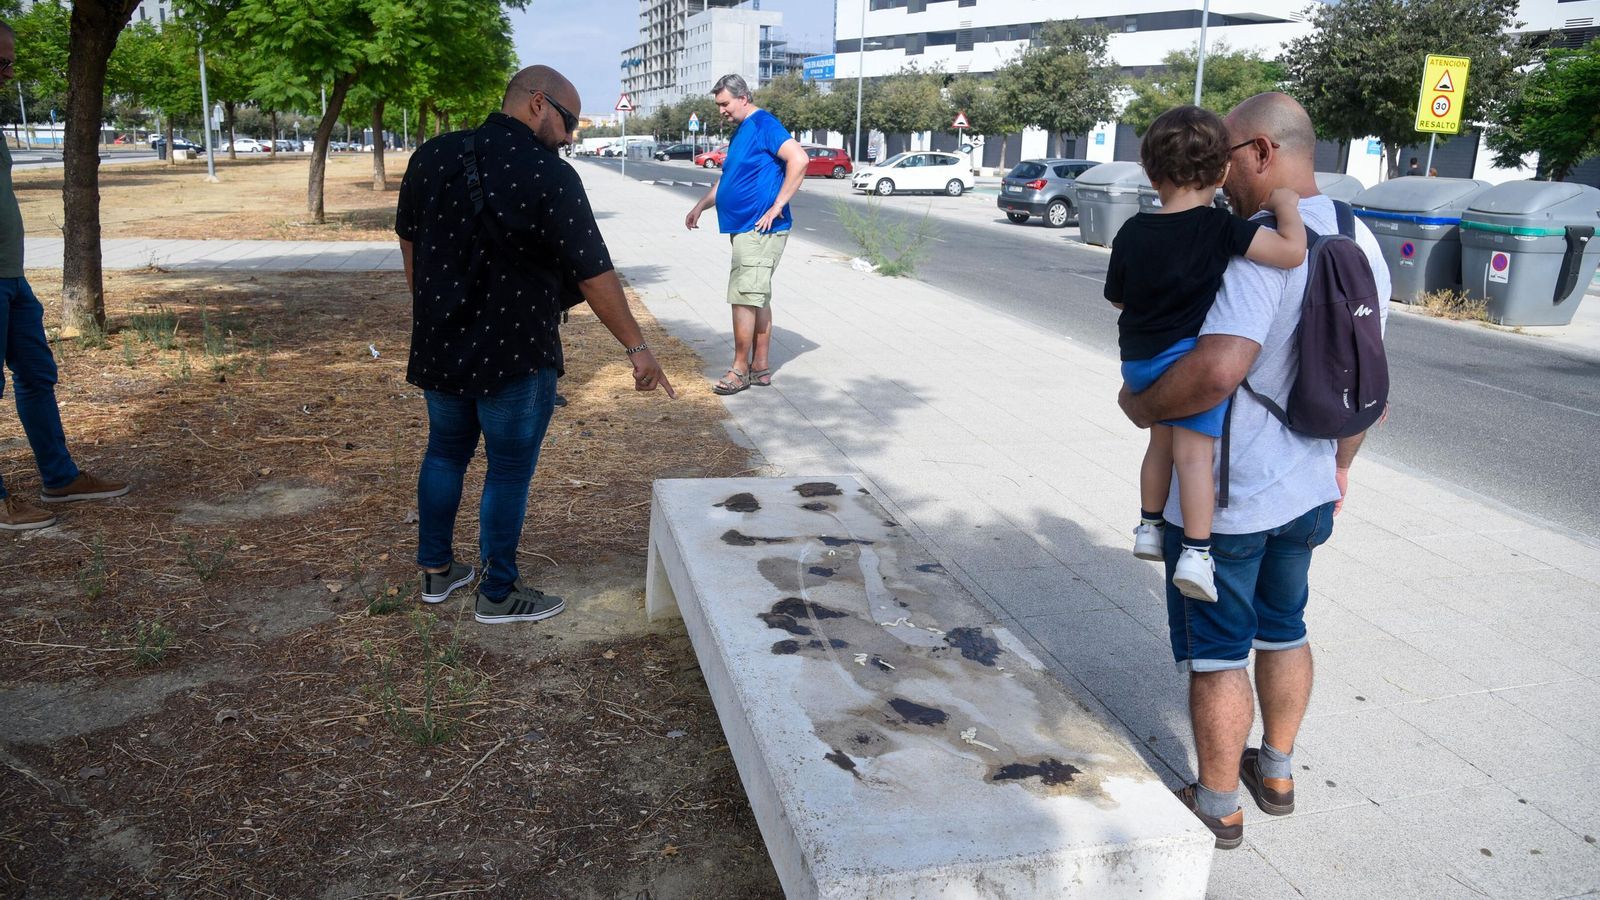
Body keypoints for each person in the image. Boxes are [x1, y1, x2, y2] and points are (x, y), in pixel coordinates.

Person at [1117, 93, 1390, 849]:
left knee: (1218, 653)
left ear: (1264, 154)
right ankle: (1275, 771)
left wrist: (1140, 405)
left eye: (1227, 155)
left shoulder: (1255, 241)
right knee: (1286, 630)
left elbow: (1216, 371)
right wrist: (1340, 471)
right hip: (1308, 487)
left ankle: (1217, 802)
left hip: (1230, 500)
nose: (1219, 171)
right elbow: (1366, 382)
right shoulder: (1362, 238)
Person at [395, 65, 675, 624]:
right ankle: (498, 592)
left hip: (441, 342)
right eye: (569, 122)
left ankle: (436, 572)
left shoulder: (430, 157)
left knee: (445, 452)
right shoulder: (551, 176)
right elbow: (594, 273)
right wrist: (636, 348)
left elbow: (411, 243)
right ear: (538, 104)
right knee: (507, 471)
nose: (571, 136)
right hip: (516, 354)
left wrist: (432, 310)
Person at [1107, 105, 1306, 604]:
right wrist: (1288, 208)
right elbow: (1290, 253)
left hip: (1139, 361)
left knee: (1158, 445)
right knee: (1194, 458)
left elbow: (1117, 297)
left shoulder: (1132, 230)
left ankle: (1148, 526)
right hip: (1185, 361)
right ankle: (1196, 553)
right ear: (1221, 172)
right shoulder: (1220, 229)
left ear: (1152, 174)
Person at [0, 19, 129, 532]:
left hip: (12, 277)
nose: (7, 73)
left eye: (10, 62)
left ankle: (59, 478)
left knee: (36, 375)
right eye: (0, 62)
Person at [683, 74, 807, 395]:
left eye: (725, 104)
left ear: (744, 97)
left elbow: (799, 159)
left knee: (743, 297)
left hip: (760, 229)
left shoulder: (764, 123)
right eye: (718, 105)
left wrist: (778, 204)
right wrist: (700, 206)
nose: (721, 110)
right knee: (757, 296)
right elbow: (728, 181)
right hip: (745, 228)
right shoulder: (741, 132)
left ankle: (740, 369)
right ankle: (760, 367)